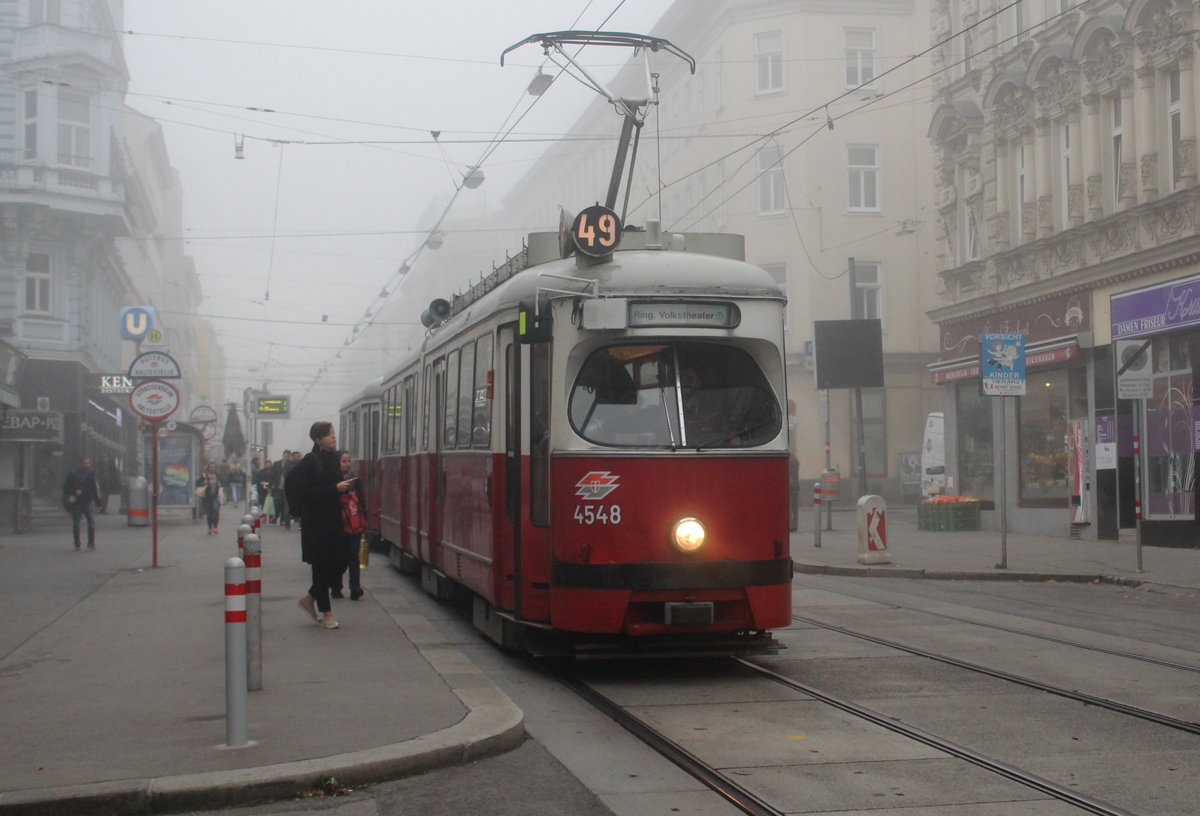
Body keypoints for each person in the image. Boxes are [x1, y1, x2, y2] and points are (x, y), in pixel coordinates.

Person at [286, 422, 355, 629]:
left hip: (334, 520)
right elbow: (306, 492)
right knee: (321, 566)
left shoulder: (334, 459)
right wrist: (334, 489)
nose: (333, 437)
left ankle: (309, 598)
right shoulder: (310, 461)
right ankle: (326, 613)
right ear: (317, 439)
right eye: (328, 434)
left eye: (333, 434)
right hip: (316, 523)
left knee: (341, 561)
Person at [332, 451, 366, 600]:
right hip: (339, 524)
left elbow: (362, 501)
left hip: (354, 523)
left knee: (354, 556)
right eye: (343, 461)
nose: (346, 464)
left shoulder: (356, 480)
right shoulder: (333, 480)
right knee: (340, 557)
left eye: (348, 461)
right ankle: (336, 587)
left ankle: (355, 587)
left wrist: (364, 521)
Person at [62, 456, 101, 550]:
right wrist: (74, 491)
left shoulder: (91, 474)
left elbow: (94, 489)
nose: (87, 465)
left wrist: (98, 502)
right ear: (80, 464)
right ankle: (77, 543)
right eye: (85, 463)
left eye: (88, 463)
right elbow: (65, 488)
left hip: (88, 500)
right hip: (77, 502)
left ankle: (91, 543)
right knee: (76, 523)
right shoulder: (73, 474)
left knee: (91, 522)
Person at [196, 462, 223, 535]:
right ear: (208, 468)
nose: (212, 469)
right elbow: (197, 483)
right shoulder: (204, 476)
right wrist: (204, 483)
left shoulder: (218, 476)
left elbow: (223, 484)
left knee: (216, 511)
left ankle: (215, 527)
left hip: (216, 497)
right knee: (209, 513)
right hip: (207, 497)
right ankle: (210, 528)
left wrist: (220, 485)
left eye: (213, 467)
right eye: (211, 467)